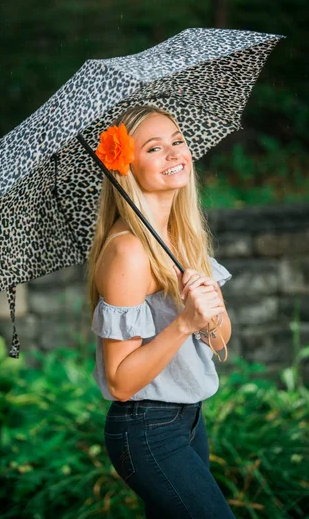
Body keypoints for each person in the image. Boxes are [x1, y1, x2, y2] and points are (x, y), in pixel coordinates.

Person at [87, 105, 236, 519]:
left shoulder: (182, 236)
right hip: (148, 429)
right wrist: (183, 323)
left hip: (190, 421)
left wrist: (210, 310)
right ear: (127, 166)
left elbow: (219, 340)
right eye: (155, 148)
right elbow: (119, 383)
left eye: (178, 141)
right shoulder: (128, 251)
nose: (175, 153)